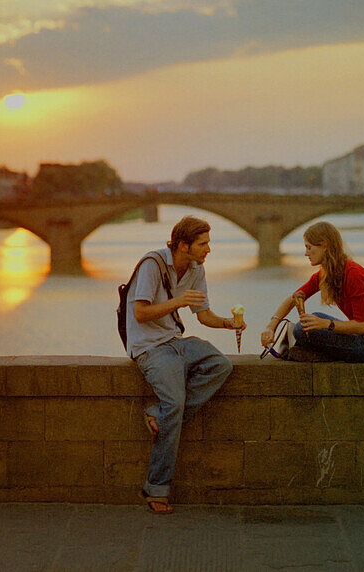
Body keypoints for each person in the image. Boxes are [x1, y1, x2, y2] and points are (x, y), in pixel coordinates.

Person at [125, 215, 242, 514]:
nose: (208, 250)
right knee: (175, 404)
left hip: (176, 342)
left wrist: (230, 323)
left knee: (220, 364)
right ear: (182, 244)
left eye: (208, 243)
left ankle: (157, 413)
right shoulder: (152, 264)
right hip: (150, 349)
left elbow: (203, 315)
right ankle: (157, 490)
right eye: (203, 244)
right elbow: (140, 313)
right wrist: (177, 303)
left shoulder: (196, 268)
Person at [260, 220, 364, 363]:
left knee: (300, 330)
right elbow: (295, 298)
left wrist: (325, 324)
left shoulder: (353, 274)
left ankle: (316, 355)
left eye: (309, 248)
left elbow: (361, 326)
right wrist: (270, 327)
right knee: (310, 320)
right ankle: (315, 353)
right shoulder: (327, 273)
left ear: (324, 246)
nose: (306, 253)